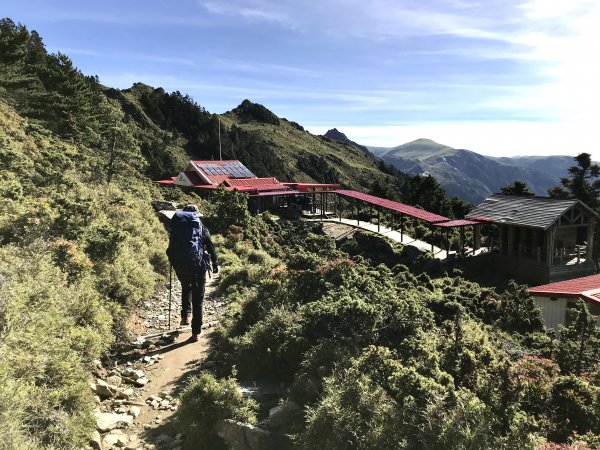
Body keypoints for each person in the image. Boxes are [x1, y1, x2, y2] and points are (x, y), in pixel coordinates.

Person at [167, 204, 218, 342]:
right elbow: (211, 248)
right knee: (198, 298)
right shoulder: (201, 228)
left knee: (186, 288)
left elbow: (171, 247)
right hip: (198, 267)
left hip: (180, 266)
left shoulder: (177, 227)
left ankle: (185, 316)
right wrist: (215, 264)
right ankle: (196, 332)